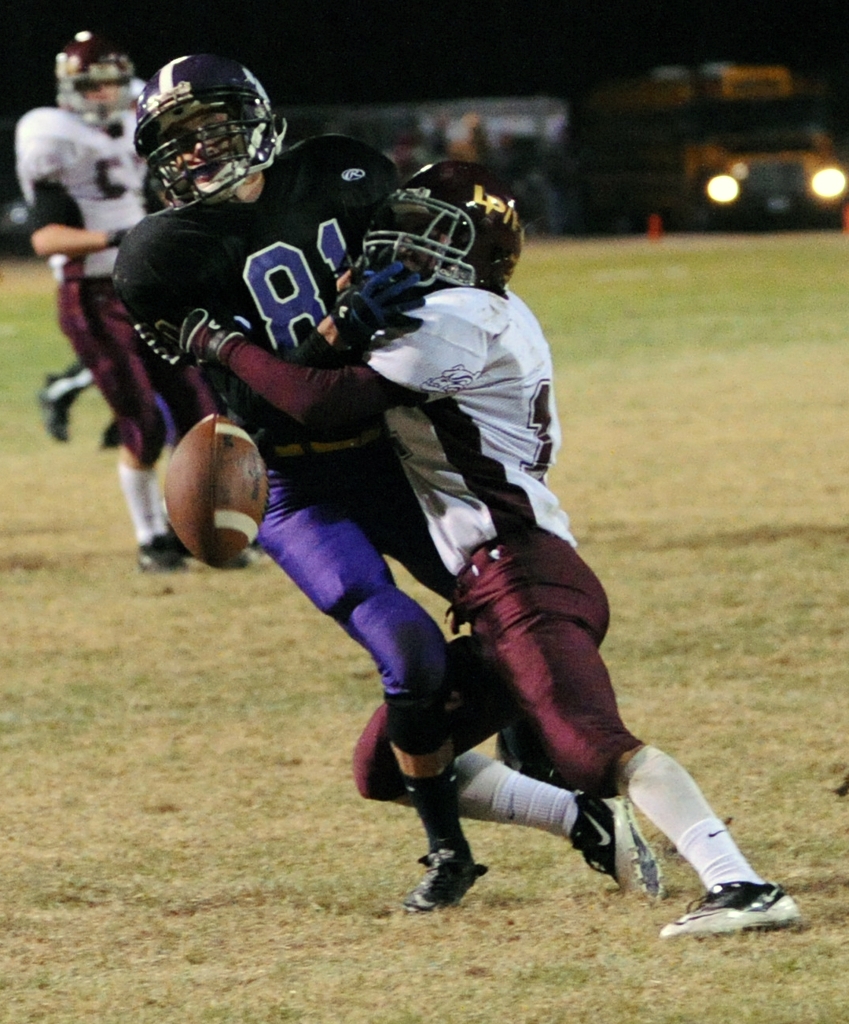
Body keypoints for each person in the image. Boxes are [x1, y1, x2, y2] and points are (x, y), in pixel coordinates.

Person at [167, 159, 803, 938]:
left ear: (479, 250)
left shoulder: (451, 317)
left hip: (519, 572)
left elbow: (317, 403)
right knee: (389, 762)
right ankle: (578, 819)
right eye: (394, 229)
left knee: (589, 744)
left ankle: (740, 883)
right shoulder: (477, 309)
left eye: (425, 236)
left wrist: (217, 342)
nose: (397, 248)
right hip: (493, 580)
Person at [113, 54, 662, 912]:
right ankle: (452, 849)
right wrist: (333, 335)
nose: (198, 147)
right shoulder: (155, 258)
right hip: (292, 476)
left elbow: (425, 278)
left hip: (395, 454)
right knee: (406, 650)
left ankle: (559, 756)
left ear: (253, 114)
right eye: (178, 139)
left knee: (513, 614)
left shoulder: (344, 170)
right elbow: (269, 386)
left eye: (212, 123)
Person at [14, 31, 220, 572]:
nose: (105, 93)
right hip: (92, 293)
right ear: (70, 88)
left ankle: (193, 529)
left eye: (110, 82)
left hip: (147, 286)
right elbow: (45, 239)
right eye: (93, 84)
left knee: (200, 415)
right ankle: (151, 537)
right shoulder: (50, 135)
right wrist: (123, 237)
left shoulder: (137, 115)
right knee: (142, 425)